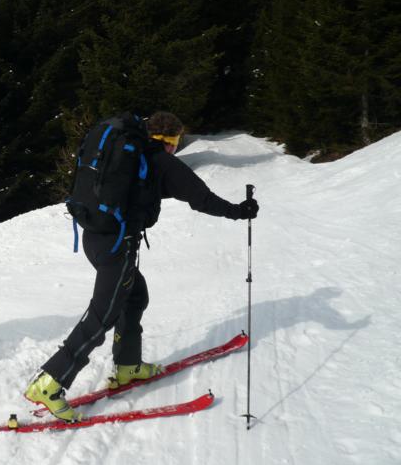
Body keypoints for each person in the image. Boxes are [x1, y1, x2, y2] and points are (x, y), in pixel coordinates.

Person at [24, 111, 259, 421]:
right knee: (103, 315)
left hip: (95, 237)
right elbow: (201, 198)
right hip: (117, 246)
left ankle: (128, 366)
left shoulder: (131, 157)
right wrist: (239, 211)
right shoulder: (160, 161)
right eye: (176, 142)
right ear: (171, 141)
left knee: (135, 295)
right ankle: (50, 382)